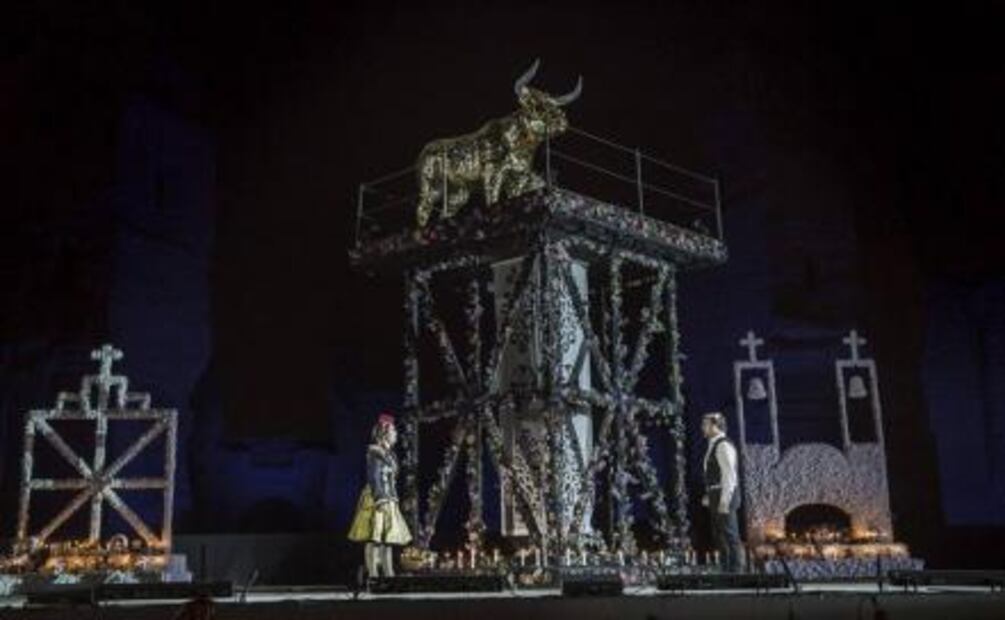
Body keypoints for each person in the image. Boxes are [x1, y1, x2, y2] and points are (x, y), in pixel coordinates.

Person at [348, 413, 412, 578]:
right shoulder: (375, 453)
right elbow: (374, 477)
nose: (395, 434)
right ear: (384, 434)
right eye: (393, 431)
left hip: (389, 498)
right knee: (374, 538)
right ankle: (373, 574)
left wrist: (392, 498)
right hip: (377, 499)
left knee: (387, 539)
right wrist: (380, 499)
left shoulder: (390, 455)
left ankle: (389, 573)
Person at [701, 411, 745, 572]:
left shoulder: (723, 445)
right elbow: (714, 474)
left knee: (730, 534)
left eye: (705, 424)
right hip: (716, 494)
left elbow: (729, 475)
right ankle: (726, 569)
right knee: (719, 535)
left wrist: (725, 501)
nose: (703, 427)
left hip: (725, 495)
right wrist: (709, 494)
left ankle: (736, 570)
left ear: (715, 425)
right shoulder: (713, 444)